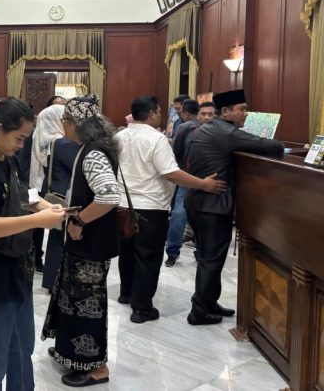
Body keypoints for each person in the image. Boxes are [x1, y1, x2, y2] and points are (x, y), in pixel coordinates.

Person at [0, 97, 66, 390]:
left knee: (22, 349)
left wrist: (50, 209)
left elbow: (24, 194)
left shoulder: (6, 159)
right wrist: (36, 222)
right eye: (19, 138)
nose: (21, 146)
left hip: (18, 267)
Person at [116, 96, 226, 324]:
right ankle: (142, 308)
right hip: (150, 208)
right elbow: (170, 173)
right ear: (153, 113)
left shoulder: (119, 136)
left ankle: (126, 293)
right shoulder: (156, 139)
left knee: (127, 253)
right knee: (148, 258)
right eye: (159, 112)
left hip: (122, 205)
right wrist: (203, 183)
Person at [185, 89, 284, 325]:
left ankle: (209, 302)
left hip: (199, 204)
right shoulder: (226, 132)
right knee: (211, 259)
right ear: (226, 112)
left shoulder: (210, 128)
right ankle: (198, 311)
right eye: (242, 109)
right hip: (212, 207)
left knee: (211, 259)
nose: (246, 114)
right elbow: (272, 146)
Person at [42, 103, 120, 387]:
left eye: (65, 120)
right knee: (71, 301)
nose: (63, 125)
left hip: (90, 244)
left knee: (88, 306)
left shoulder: (94, 154)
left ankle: (96, 368)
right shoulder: (88, 149)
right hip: (82, 244)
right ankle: (71, 353)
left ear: (74, 123)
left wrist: (80, 222)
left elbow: (109, 197)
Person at [31, 103, 81, 291]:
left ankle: (51, 279)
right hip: (64, 194)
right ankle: (55, 281)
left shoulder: (41, 137)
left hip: (50, 189)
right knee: (60, 239)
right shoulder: (62, 142)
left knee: (55, 237)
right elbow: (78, 165)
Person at [164, 99, 200, 267]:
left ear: (185, 113)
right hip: (206, 179)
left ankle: (172, 253)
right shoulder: (211, 128)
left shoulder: (184, 127)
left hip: (186, 177)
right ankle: (200, 253)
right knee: (200, 216)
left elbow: (175, 151)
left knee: (179, 214)